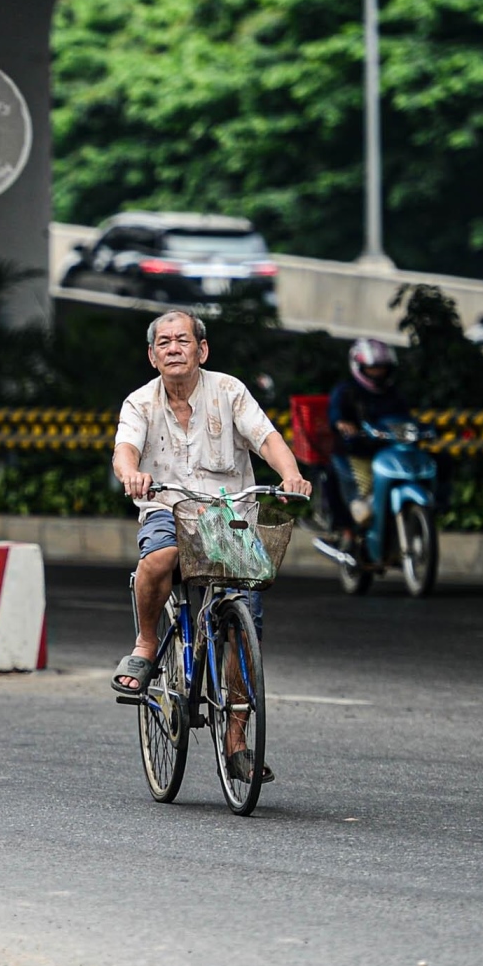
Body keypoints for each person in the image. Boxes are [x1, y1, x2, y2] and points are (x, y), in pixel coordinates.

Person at [110, 311, 312, 783]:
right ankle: (144, 645)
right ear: (153, 356)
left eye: (184, 340)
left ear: (203, 350)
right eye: (164, 342)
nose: (174, 347)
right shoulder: (139, 403)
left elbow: (266, 438)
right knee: (158, 557)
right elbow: (125, 450)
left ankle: (236, 742)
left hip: (229, 515)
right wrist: (131, 474)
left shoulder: (229, 391)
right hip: (169, 509)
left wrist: (291, 474)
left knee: (244, 623)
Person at [327, 338, 412, 529]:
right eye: (373, 368)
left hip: (389, 451)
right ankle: (347, 532)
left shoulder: (393, 393)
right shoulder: (346, 391)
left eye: (382, 368)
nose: (378, 372)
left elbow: (405, 418)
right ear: (360, 366)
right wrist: (342, 424)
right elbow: (336, 414)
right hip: (356, 452)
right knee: (361, 501)